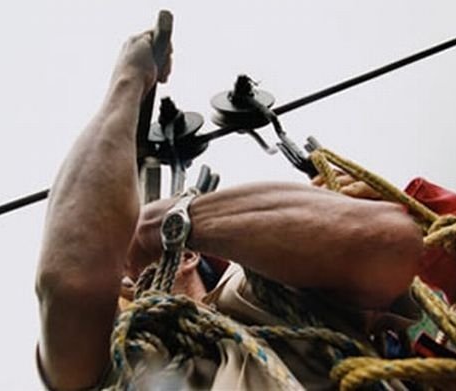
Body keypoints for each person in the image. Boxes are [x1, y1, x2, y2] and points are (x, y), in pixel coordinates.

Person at [35, 27, 426, 390]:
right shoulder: (121, 365)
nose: (123, 271)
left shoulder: (264, 291)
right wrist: (127, 83)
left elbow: (386, 243)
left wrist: (170, 224)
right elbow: (69, 283)